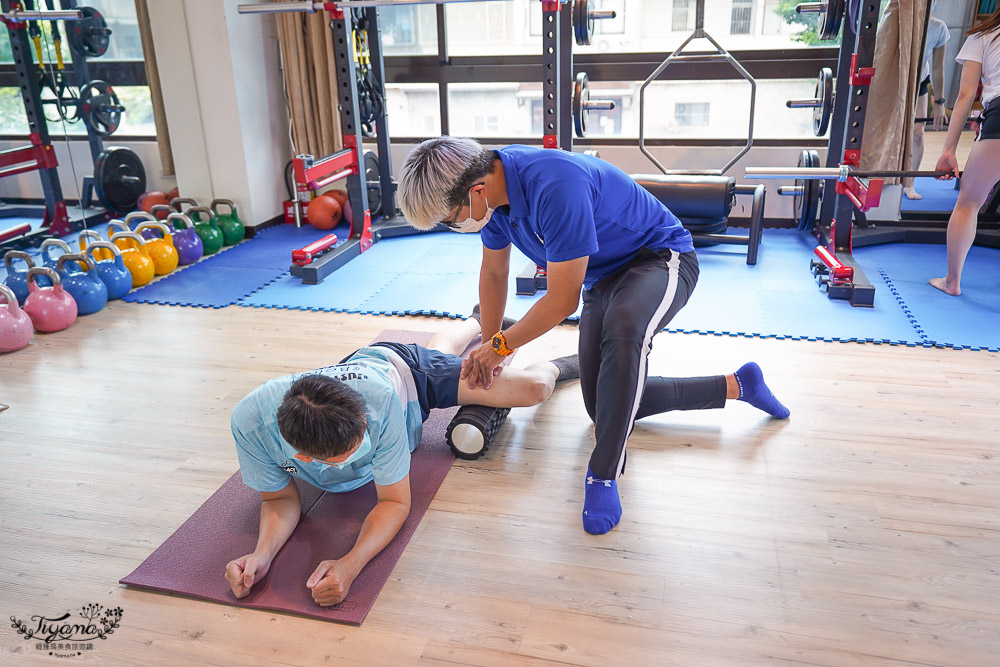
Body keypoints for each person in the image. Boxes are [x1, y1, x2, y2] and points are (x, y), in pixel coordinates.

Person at [396, 138, 790, 536]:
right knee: (604, 407)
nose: (454, 226)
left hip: (659, 258)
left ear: (475, 191)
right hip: (605, 277)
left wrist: (501, 347)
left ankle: (603, 475)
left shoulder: (553, 185)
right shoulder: (492, 199)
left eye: (450, 218)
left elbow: (563, 299)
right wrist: (490, 342)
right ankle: (739, 385)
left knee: (624, 333)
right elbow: (495, 273)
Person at [224, 312, 578, 606]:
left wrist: (351, 564)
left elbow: (393, 501)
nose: (367, 443)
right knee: (442, 353)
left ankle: (534, 353)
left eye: (364, 435)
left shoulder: (377, 405)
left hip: (406, 372)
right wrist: (262, 556)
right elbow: (279, 497)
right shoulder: (251, 423)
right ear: (304, 458)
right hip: (377, 376)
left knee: (532, 389)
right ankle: (476, 319)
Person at [930, 8, 1000, 296]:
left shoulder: (983, 36)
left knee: (968, 203)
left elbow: (965, 95)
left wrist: (948, 150)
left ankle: (952, 282)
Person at [903, 3, 950, 200]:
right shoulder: (900, 21)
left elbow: (939, 68)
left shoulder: (938, 28)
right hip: (895, 80)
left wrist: (939, 103)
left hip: (920, 81)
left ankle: (909, 183)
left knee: (918, 134)